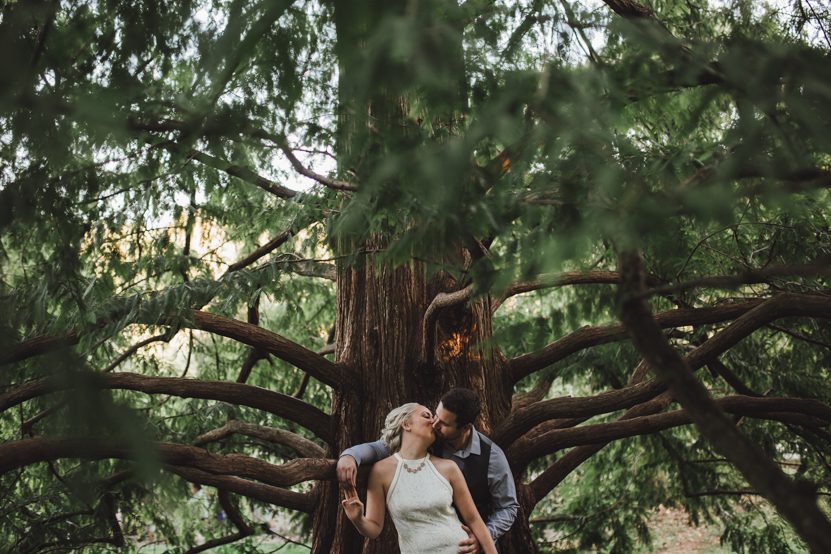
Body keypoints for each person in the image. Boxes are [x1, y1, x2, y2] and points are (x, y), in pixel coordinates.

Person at [338, 388, 519, 553]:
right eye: (433, 415)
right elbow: (381, 448)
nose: (435, 423)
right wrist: (349, 455)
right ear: (406, 425)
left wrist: (482, 537)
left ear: (465, 428)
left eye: (443, 423)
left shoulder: (490, 457)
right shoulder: (426, 441)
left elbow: (505, 508)